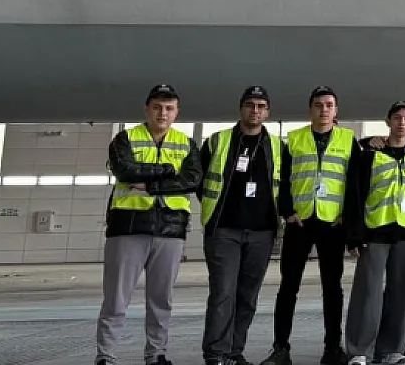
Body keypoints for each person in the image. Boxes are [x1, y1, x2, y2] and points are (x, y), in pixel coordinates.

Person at [95, 84, 202, 365]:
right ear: (147, 109)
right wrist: (167, 171)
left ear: (177, 112)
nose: (162, 113)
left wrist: (151, 186)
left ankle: (156, 355)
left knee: (161, 300)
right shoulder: (125, 139)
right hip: (128, 227)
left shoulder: (187, 144)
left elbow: (192, 180)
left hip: (171, 229)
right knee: (116, 299)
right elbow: (124, 170)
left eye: (168, 108)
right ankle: (106, 356)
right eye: (157, 107)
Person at [262, 87, 360, 365]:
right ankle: (281, 348)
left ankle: (332, 348)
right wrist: (287, 212)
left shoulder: (348, 139)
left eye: (329, 105)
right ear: (310, 109)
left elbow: (354, 182)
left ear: (336, 110)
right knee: (288, 287)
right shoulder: (295, 139)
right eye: (318, 105)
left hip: (332, 224)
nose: (324, 109)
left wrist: (347, 217)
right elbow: (281, 178)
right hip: (300, 223)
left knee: (333, 289)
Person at [342, 101, 405, 365]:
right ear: (388, 122)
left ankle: (392, 349)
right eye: (397, 118)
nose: (401, 123)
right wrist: (354, 236)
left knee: (403, 294)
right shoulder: (369, 155)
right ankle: (359, 350)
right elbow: (356, 196)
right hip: (376, 231)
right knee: (367, 294)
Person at [200, 86, 284, 365]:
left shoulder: (278, 147)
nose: (255, 110)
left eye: (261, 106)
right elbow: (201, 182)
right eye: (250, 105)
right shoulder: (217, 141)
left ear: (267, 112)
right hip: (224, 230)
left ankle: (234, 352)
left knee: (247, 296)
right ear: (241, 109)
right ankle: (216, 353)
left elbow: (284, 186)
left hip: (262, 233)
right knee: (223, 292)